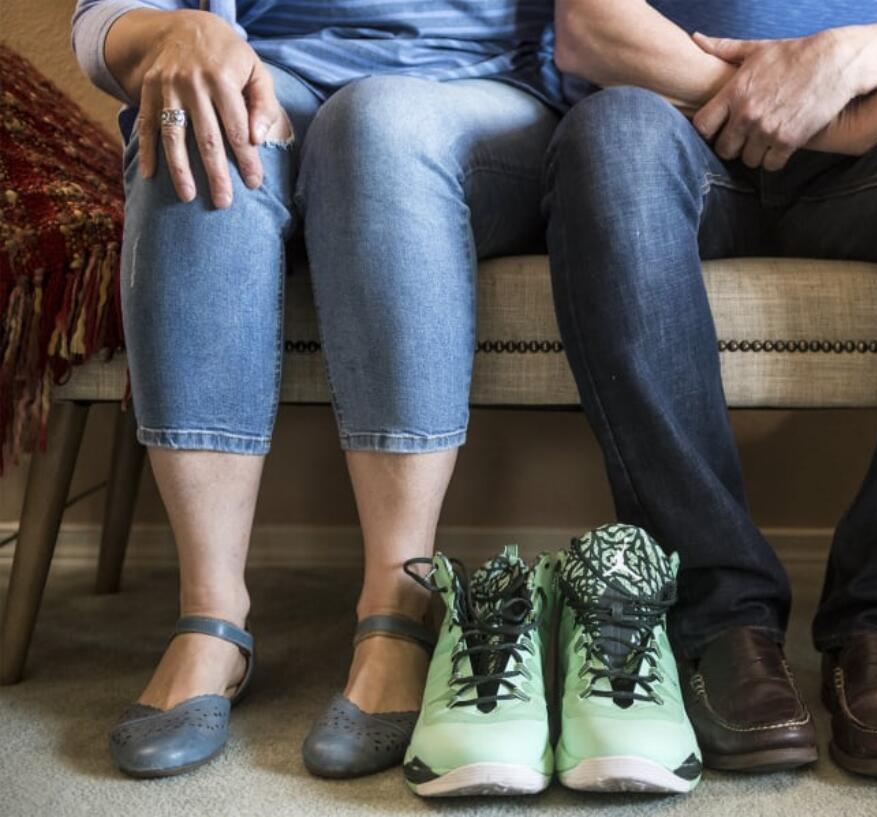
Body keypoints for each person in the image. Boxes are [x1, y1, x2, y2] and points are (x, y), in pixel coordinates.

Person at [544, 0, 877, 778]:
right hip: (677, 129)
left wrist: (849, 59)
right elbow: (590, 26)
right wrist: (824, 115)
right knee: (608, 139)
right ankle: (720, 619)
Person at [71, 0, 561, 779]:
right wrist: (168, 31)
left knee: (374, 123)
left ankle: (398, 609)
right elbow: (102, 20)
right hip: (268, 78)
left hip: (481, 96)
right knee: (200, 120)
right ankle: (211, 616)